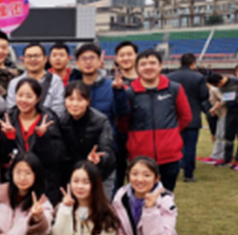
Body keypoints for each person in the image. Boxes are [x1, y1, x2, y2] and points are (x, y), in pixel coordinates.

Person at [116, 49, 192, 192]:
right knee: (140, 197)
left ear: (160, 66)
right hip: (140, 156)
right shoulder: (130, 93)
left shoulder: (174, 89)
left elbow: (185, 116)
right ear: (137, 68)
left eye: (152, 63)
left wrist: (171, 134)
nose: (148, 67)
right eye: (143, 64)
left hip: (169, 156)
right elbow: (124, 123)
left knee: (165, 197)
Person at [0, 78, 65, 204]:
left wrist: (43, 138)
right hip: (17, 182)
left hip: (44, 183)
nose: (23, 100)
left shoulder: (49, 119)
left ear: (38, 99)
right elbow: (3, 156)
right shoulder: (8, 119)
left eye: (29, 96)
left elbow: (56, 158)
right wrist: (8, 137)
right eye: (20, 95)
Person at [58, 81, 116, 199]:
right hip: (74, 174)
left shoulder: (100, 121)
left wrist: (99, 159)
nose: (74, 104)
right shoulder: (61, 121)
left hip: (100, 173)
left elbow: (107, 150)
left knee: (100, 207)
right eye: (70, 99)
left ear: (88, 101)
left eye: (80, 100)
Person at [167, 53, 210, 183]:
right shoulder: (198, 77)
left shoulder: (170, 77)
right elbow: (204, 95)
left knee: (175, 145)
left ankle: (175, 168)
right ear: (193, 63)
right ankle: (188, 174)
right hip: (192, 115)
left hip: (174, 117)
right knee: (190, 146)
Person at [71, 43, 125, 131]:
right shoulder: (70, 89)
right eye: (84, 58)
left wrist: (119, 91)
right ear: (77, 63)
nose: (88, 62)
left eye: (92, 58)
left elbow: (122, 113)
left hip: (106, 136)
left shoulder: (112, 86)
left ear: (99, 61)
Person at [6, 43, 65, 118]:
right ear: (23, 59)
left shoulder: (55, 81)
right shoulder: (14, 83)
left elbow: (58, 111)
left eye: (36, 56)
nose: (33, 59)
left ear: (45, 59)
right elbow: (11, 110)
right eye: (29, 56)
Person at [206, 72, 238, 168]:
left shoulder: (237, 81)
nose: (217, 88)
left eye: (217, 85)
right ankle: (227, 159)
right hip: (230, 111)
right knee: (228, 136)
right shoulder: (221, 87)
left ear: (220, 81)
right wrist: (215, 108)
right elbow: (225, 99)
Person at [113, 41, 139, 191]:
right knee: (117, 175)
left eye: (129, 54)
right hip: (117, 135)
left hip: (139, 133)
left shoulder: (145, 80)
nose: (126, 58)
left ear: (136, 56)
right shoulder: (110, 82)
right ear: (116, 58)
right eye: (122, 55)